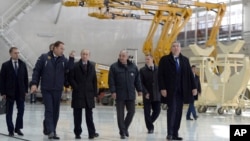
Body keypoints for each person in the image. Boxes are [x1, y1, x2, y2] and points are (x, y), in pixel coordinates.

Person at [30, 41, 75, 139]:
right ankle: (51, 131)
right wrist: (34, 84)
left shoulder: (64, 60)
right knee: (49, 109)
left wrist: (71, 59)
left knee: (55, 111)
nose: (63, 50)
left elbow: (70, 70)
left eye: (63, 49)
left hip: (58, 89)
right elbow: (37, 71)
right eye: (61, 48)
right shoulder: (44, 57)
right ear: (54, 48)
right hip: (47, 89)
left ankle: (52, 129)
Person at [158, 41, 197, 141]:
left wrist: (194, 87)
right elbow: (160, 75)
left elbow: (190, 75)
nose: (176, 48)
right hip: (170, 91)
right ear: (171, 49)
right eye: (174, 46)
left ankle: (175, 133)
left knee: (179, 112)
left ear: (180, 48)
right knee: (172, 111)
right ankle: (170, 133)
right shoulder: (165, 60)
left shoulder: (185, 60)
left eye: (177, 46)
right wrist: (162, 88)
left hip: (182, 91)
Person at [108, 50, 143, 139]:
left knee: (132, 111)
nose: (121, 57)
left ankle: (124, 128)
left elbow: (137, 80)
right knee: (120, 114)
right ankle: (123, 132)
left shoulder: (133, 67)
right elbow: (111, 81)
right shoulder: (114, 67)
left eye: (123, 56)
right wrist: (113, 91)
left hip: (130, 94)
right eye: (120, 55)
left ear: (127, 57)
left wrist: (139, 90)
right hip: (119, 94)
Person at [69, 49, 99, 139]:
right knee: (77, 115)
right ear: (81, 55)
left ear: (89, 55)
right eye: (83, 54)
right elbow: (71, 78)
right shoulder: (75, 66)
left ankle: (91, 133)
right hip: (78, 94)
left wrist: (95, 93)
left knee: (89, 115)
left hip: (89, 94)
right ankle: (77, 133)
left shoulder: (92, 66)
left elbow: (94, 80)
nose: (85, 56)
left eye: (86, 54)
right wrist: (76, 87)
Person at [0, 47, 28, 136]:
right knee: (9, 112)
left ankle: (18, 128)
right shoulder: (5, 65)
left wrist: (26, 90)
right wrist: (3, 92)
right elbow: (2, 80)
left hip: (20, 92)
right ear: (11, 54)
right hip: (9, 92)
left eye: (18, 53)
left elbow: (25, 78)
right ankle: (10, 130)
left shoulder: (23, 64)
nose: (17, 54)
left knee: (21, 110)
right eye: (15, 53)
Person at [139, 54, 161, 134]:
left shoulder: (158, 69)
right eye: (146, 59)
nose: (146, 61)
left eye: (148, 59)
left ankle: (149, 122)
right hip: (147, 95)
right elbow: (140, 83)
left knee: (157, 111)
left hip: (157, 94)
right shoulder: (142, 70)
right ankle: (150, 128)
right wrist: (145, 92)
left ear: (152, 59)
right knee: (147, 112)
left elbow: (161, 81)